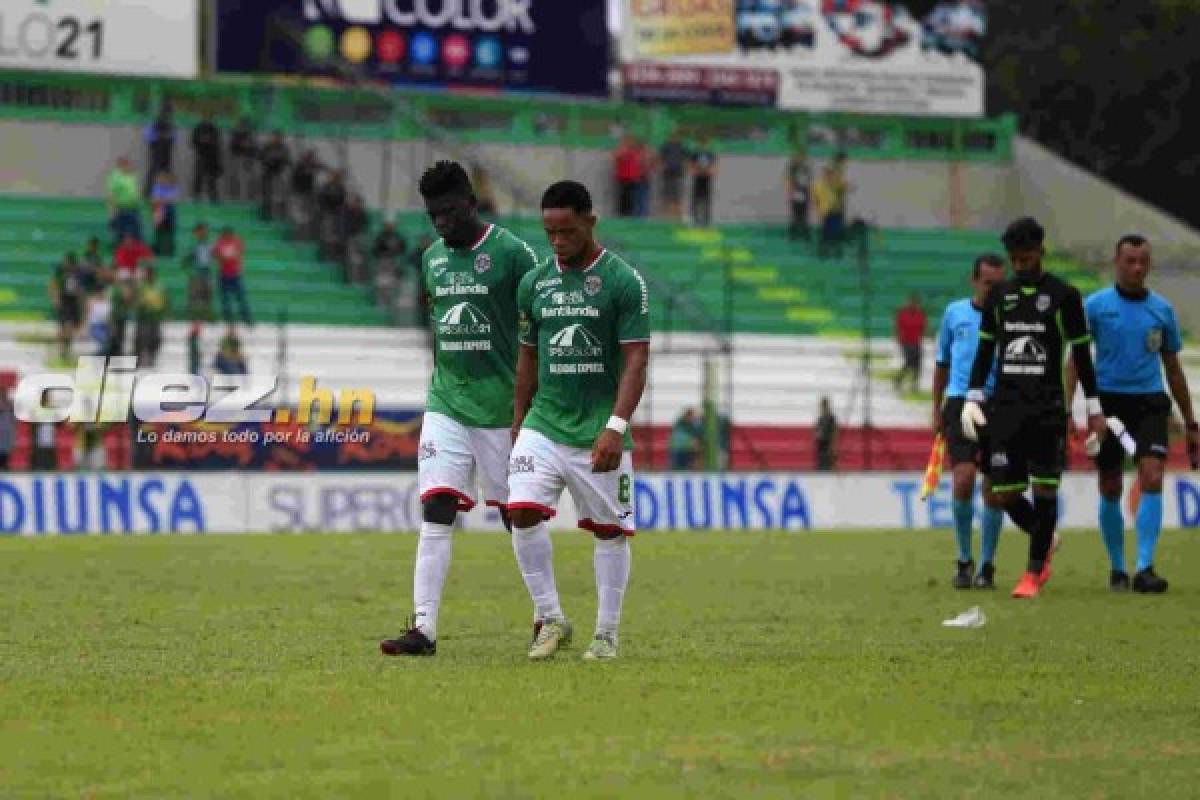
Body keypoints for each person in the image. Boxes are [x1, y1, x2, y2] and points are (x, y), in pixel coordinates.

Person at [379, 161, 541, 658]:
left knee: (519, 515)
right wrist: (438, 382)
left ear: (471, 203)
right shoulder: (432, 259)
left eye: (448, 212)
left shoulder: (513, 253)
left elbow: (542, 324)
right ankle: (423, 628)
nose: (440, 223)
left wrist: (531, 403)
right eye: (432, 215)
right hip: (446, 401)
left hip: (500, 407)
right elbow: (440, 332)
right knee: (436, 506)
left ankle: (547, 615)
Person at [507, 179, 651, 662]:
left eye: (566, 230)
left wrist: (616, 425)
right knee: (520, 510)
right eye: (549, 232)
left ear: (590, 221)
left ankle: (606, 634)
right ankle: (550, 617)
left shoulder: (623, 281)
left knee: (609, 530)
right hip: (545, 423)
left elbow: (635, 360)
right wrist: (518, 419)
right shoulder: (535, 283)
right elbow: (528, 356)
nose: (558, 241)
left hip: (598, 428)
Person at [961, 217, 1106, 598]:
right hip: (1005, 410)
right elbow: (985, 350)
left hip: (1047, 409)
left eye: (1026, 258)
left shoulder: (1064, 296)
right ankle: (1046, 542)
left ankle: (1031, 572)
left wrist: (1093, 409)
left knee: (1045, 491)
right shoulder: (999, 297)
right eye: (1015, 259)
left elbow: (1082, 355)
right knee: (1003, 494)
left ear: (1040, 251)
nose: (1021, 265)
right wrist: (973, 397)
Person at [1066, 234, 1198, 593]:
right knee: (1110, 484)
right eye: (1130, 261)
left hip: (1149, 402)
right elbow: (1076, 361)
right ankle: (1118, 568)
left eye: (1143, 261)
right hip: (1107, 405)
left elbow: (1172, 368)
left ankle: (1145, 567)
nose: (1137, 268)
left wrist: (1190, 421)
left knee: (1152, 474)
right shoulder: (1095, 306)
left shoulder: (1162, 310)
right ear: (1116, 262)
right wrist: (1067, 409)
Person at [932, 254, 1008, 589]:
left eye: (999, 284)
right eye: (988, 283)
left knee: (994, 490)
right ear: (974, 281)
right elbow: (942, 364)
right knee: (963, 478)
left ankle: (987, 566)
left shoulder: (1010, 318)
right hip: (961, 401)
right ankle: (964, 560)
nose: (994, 290)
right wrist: (937, 408)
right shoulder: (955, 314)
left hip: (998, 405)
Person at [214, 227, 252, 326]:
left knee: (241, 298)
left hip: (235, 274)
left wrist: (227, 257)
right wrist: (226, 257)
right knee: (225, 299)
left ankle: (246, 318)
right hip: (224, 275)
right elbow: (216, 254)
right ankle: (228, 319)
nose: (227, 237)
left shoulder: (237, 242)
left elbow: (238, 254)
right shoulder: (220, 243)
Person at [49, 253, 84, 360]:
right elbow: (53, 285)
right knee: (62, 327)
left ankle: (67, 349)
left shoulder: (77, 274)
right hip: (64, 301)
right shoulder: (60, 273)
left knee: (71, 328)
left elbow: (80, 290)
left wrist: (80, 302)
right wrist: (55, 299)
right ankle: (61, 350)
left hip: (73, 302)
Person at [134, 265, 169, 367]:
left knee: (155, 338)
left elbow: (165, 300)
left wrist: (166, 313)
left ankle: (151, 357)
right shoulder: (140, 286)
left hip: (155, 317)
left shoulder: (159, 286)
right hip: (143, 316)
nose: (146, 275)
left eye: (148, 273)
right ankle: (138, 359)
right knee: (141, 338)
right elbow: (136, 300)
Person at [894, 294, 927, 392]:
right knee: (909, 362)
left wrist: (925, 336)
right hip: (906, 342)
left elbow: (923, 327)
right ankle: (898, 379)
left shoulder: (920, 314)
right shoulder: (902, 313)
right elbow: (898, 327)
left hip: (916, 341)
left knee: (918, 364)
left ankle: (914, 385)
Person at [106, 157, 142, 245]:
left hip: (133, 208)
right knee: (121, 232)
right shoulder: (115, 177)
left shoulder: (132, 176)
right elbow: (111, 194)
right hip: (121, 209)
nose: (129, 166)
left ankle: (136, 251)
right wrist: (113, 209)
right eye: (126, 164)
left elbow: (135, 190)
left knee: (135, 231)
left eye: (129, 164)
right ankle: (119, 252)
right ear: (120, 165)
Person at [183, 223, 215, 321]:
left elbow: (213, 257)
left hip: (207, 272)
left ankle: (206, 316)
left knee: (208, 295)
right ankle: (193, 317)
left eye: (204, 231)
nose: (203, 233)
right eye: (200, 231)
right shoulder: (193, 244)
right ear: (196, 233)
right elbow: (187, 258)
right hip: (196, 272)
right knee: (194, 296)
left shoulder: (210, 244)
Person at [143, 107, 175, 197]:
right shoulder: (154, 125)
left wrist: (167, 136)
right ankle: (147, 195)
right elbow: (147, 136)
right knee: (153, 175)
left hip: (166, 154)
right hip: (156, 154)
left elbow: (173, 138)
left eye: (168, 115)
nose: (167, 117)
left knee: (166, 175)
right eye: (165, 115)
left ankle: (166, 196)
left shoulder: (170, 126)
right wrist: (159, 136)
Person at [190, 113, 222, 203]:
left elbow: (217, 143)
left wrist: (209, 140)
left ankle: (213, 198)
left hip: (212, 157)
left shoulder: (214, 129)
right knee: (198, 178)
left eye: (209, 117)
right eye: (205, 117)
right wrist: (201, 141)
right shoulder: (198, 128)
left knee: (211, 180)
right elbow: (193, 141)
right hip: (201, 156)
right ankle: (196, 197)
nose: (207, 119)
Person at [258, 131, 290, 220]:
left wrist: (280, 161)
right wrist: (269, 159)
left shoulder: (284, 148)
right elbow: (261, 157)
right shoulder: (267, 146)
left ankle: (280, 214)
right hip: (268, 172)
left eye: (280, 137)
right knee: (267, 193)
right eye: (276, 137)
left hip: (279, 172)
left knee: (280, 194)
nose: (277, 139)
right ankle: (266, 214)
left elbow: (287, 160)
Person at [658, 132, 689, 221]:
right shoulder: (666, 146)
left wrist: (685, 166)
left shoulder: (682, 146)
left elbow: (687, 158)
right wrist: (662, 166)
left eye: (678, 136)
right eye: (674, 136)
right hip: (667, 174)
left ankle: (677, 216)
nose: (676, 138)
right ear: (670, 137)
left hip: (678, 174)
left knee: (677, 196)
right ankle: (666, 216)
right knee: (666, 195)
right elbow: (660, 158)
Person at [613, 134, 645, 218]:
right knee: (624, 198)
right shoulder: (622, 150)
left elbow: (638, 163)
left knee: (632, 198)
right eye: (628, 141)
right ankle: (623, 215)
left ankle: (629, 215)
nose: (630, 143)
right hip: (623, 178)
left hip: (633, 179)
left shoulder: (634, 151)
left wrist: (638, 175)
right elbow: (617, 157)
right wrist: (624, 150)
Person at [688, 136, 718, 227]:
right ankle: (694, 220)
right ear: (699, 144)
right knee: (695, 200)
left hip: (707, 180)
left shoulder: (710, 154)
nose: (703, 146)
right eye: (702, 144)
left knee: (706, 201)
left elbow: (714, 168)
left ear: (708, 144)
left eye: (705, 144)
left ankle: (706, 221)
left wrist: (709, 171)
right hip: (697, 180)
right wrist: (697, 171)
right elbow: (690, 167)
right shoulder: (695, 154)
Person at [227, 118, 258, 201]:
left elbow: (255, 149)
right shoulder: (235, 135)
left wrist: (249, 148)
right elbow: (231, 147)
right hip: (237, 157)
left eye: (246, 126)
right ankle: (234, 196)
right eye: (242, 125)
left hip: (248, 158)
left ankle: (251, 196)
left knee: (250, 177)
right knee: (234, 176)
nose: (244, 128)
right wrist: (240, 145)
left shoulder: (251, 136)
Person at [150, 171, 179, 257]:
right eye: (161, 179)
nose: (163, 181)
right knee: (159, 230)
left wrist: (161, 200)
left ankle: (169, 249)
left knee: (170, 231)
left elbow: (172, 199)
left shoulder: (173, 188)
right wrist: (161, 201)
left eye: (165, 179)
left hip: (169, 211)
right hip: (159, 210)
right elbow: (155, 200)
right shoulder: (157, 187)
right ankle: (157, 248)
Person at [786, 151, 812, 242]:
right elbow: (790, 183)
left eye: (802, 157)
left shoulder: (807, 169)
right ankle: (793, 235)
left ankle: (806, 235)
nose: (800, 159)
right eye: (798, 157)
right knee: (795, 217)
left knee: (804, 216)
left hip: (805, 194)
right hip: (796, 194)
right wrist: (791, 194)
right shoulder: (792, 169)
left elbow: (809, 183)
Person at [815, 396, 838, 471]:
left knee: (828, 462)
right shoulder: (820, 418)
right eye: (822, 406)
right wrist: (817, 434)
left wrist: (833, 444)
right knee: (821, 462)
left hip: (828, 442)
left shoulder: (831, 417)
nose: (822, 408)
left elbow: (834, 430)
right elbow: (817, 429)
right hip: (821, 443)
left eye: (824, 406)